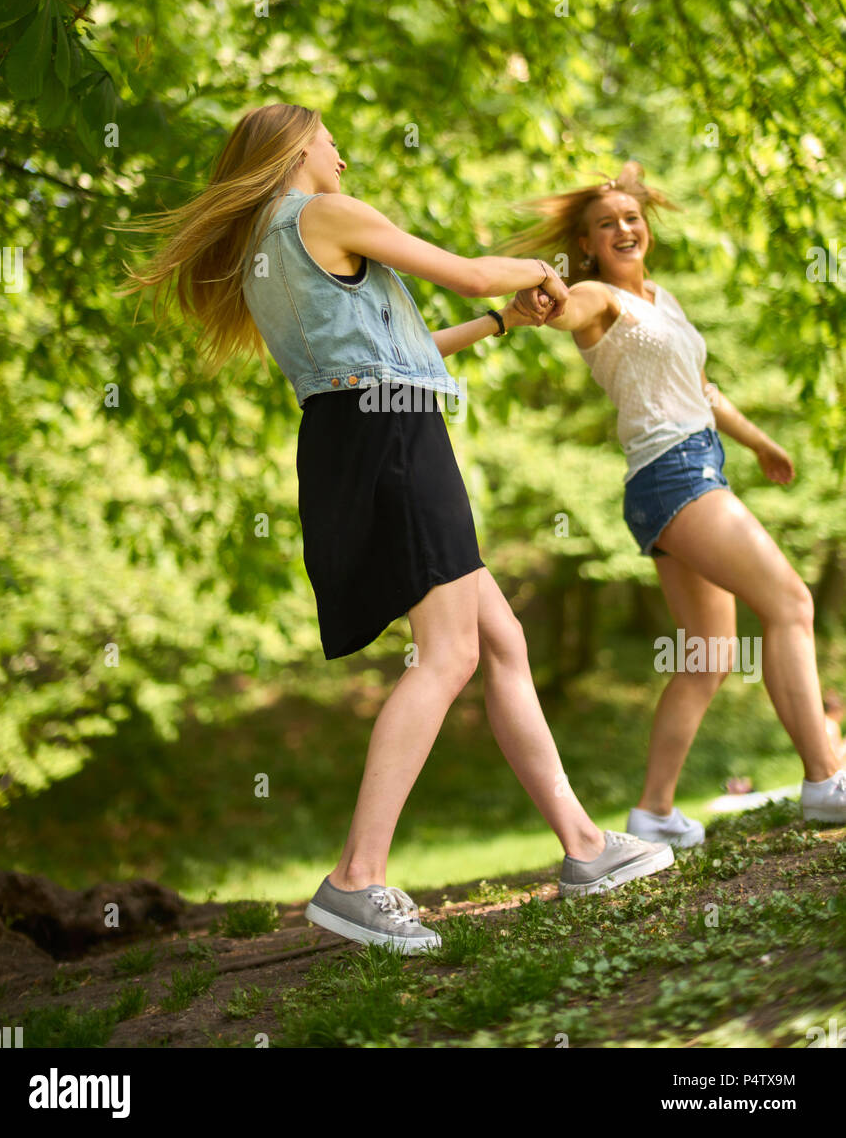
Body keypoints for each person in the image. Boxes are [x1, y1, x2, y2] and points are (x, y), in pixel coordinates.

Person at [118, 105, 674, 953]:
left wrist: (500, 323)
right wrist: (536, 271)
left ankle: (586, 845)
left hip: (358, 429)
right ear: (299, 147)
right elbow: (462, 270)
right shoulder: (325, 213)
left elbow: (385, 351)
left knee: (500, 642)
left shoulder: (269, 244)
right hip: (394, 438)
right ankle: (354, 878)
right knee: (447, 652)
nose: (341, 150)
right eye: (329, 137)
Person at [507, 160, 846, 843]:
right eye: (606, 225)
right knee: (789, 603)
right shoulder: (599, 297)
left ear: (646, 228)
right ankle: (825, 779)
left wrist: (758, 443)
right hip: (675, 475)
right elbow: (566, 310)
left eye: (631, 218)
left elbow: (703, 390)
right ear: (587, 246)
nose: (624, 229)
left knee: (707, 657)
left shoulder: (662, 300)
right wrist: (544, 295)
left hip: (680, 473)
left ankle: (653, 813)